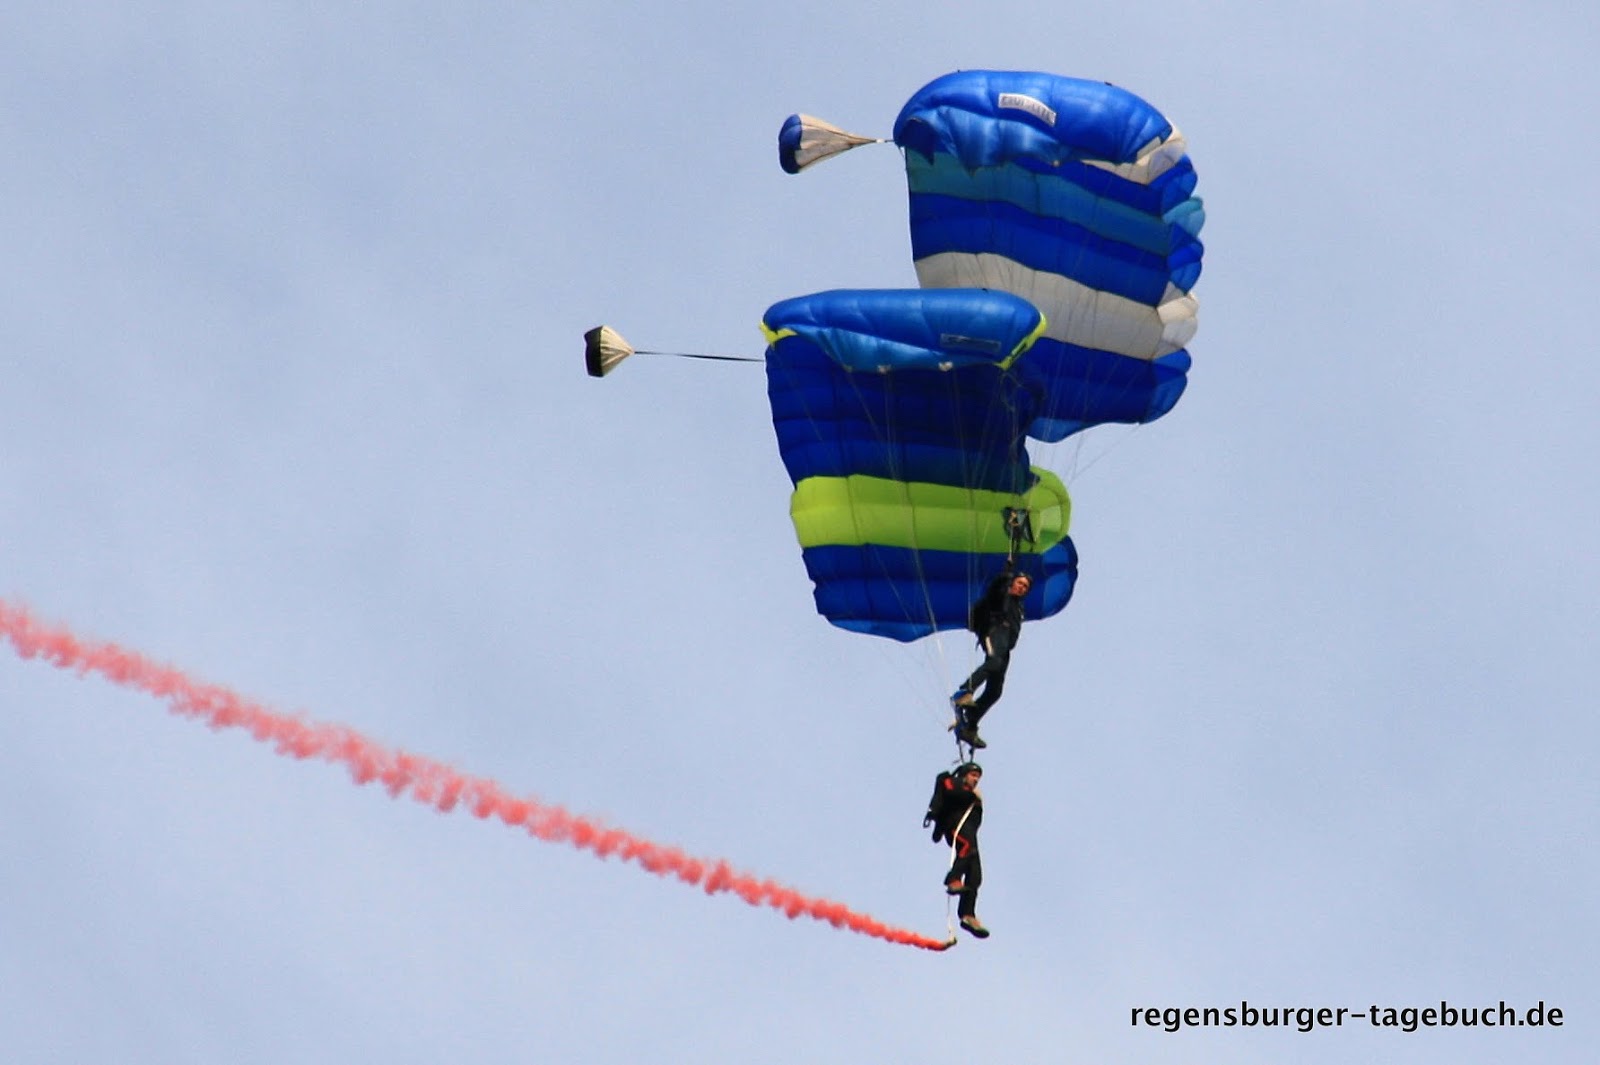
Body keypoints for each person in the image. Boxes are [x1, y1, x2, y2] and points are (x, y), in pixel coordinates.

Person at [949, 564, 1032, 749]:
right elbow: (993, 589)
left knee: (995, 692)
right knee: (994, 662)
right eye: (1019, 583)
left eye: (1025, 587)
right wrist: (1006, 575)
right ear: (1012, 583)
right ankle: (964, 691)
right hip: (994, 632)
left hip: (1006, 645)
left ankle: (969, 725)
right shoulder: (1002, 595)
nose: (1022, 588)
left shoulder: (1018, 608)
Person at [925, 761, 989, 938]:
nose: (976, 780)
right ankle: (953, 879)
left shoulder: (972, 794)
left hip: (968, 829)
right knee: (967, 847)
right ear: (965, 774)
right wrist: (971, 796)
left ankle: (967, 914)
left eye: (978, 777)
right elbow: (950, 790)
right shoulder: (955, 783)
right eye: (973, 775)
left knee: (975, 874)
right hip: (955, 824)